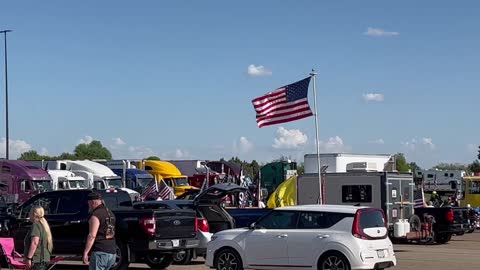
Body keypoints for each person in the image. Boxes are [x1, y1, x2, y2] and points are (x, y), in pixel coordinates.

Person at [83, 192, 116, 270]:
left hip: (100, 252)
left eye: (89, 203)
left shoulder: (96, 215)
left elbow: (92, 235)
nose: (89, 206)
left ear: (93, 202)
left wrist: (86, 252)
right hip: (111, 252)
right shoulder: (110, 213)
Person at [24, 206, 53, 270]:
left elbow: (35, 242)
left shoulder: (36, 225)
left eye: (30, 212)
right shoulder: (44, 224)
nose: (28, 214)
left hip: (37, 260)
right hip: (44, 259)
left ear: (34, 214)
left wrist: (29, 258)